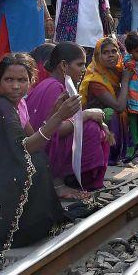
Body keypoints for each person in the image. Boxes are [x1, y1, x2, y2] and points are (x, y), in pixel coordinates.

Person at [0, 59, 78, 260]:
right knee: (34, 163)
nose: (15, 86)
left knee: (39, 160)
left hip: (4, 168)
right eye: (9, 79)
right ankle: (23, 226)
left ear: (31, 81)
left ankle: (34, 220)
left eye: (21, 80)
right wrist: (59, 117)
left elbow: (34, 139)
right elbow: (24, 148)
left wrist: (54, 112)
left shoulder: (20, 104)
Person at [26, 42, 111, 197]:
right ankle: (58, 182)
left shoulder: (52, 84)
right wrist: (86, 115)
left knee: (92, 122)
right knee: (91, 127)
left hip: (36, 149)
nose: (84, 69)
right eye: (80, 64)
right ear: (64, 66)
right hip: (42, 152)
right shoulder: (55, 88)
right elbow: (54, 130)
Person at [79, 37, 133, 163]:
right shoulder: (95, 80)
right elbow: (118, 107)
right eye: (105, 52)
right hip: (96, 120)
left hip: (108, 115)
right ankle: (110, 152)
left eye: (114, 51)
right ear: (98, 56)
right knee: (111, 112)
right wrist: (125, 81)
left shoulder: (115, 70)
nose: (111, 56)